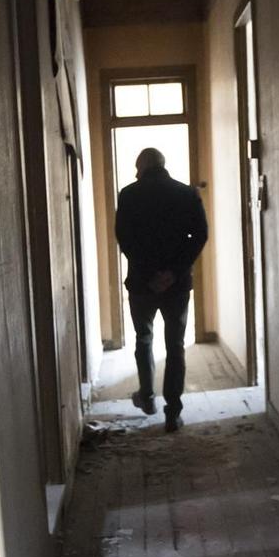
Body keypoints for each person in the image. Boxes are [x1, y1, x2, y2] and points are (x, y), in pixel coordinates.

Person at [115, 146, 208, 430]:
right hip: (176, 284)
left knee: (143, 338)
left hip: (142, 284)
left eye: (136, 168)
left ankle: (147, 396)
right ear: (163, 165)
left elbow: (124, 238)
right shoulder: (187, 193)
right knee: (175, 345)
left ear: (141, 168)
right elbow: (200, 235)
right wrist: (173, 271)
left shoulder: (129, 194)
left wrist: (148, 273)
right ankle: (173, 411)